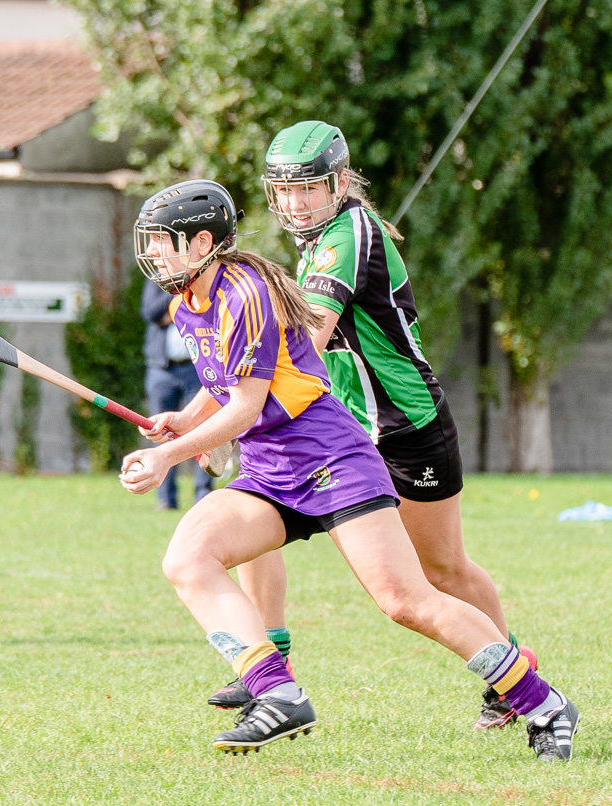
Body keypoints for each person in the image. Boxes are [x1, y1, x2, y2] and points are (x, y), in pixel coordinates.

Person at [119, 178, 579, 761]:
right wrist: (185, 422)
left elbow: (248, 405)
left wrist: (168, 456)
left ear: (202, 241)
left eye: (161, 241)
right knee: (188, 558)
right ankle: (277, 693)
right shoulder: (189, 302)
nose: (153, 252)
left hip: (332, 460)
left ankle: (543, 702)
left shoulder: (245, 294)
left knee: (408, 602)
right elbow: (225, 386)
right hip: (269, 470)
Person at [208, 120, 544, 734]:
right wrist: (210, 416)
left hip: (408, 428)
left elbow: (301, 341)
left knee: (441, 571)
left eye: (307, 189)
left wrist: (230, 417)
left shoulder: (349, 235)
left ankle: (512, 672)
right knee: (256, 509)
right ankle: (269, 662)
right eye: (283, 192)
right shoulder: (315, 244)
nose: (294, 203)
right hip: (348, 434)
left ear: (338, 183)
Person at [141, 279, 213, 510]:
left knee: (203, 430)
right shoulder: (157, 280)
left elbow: (207, 315)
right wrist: (179, 295)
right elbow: (151, 312)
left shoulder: (203, 281)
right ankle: (166, 499)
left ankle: (202, 495)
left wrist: (171, 314)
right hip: (162, 369)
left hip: (196, 369)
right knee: (159, 431)